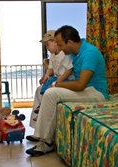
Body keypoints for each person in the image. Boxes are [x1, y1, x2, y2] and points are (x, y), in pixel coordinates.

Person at [25, 25, 109, 156]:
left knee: (51, 93)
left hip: (96, 92)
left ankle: (46, 142)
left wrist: (57, 84)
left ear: (69, 42)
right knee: (47, 90)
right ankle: (43, 137)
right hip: (86, 90)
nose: (59, 48)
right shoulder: (76, 53)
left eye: (60, 45)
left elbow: (81, 85)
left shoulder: (89, 53)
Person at [27, 30, 74, 141]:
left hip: (65, 80)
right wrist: (46, 76)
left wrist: (56, 83)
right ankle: (38, 131)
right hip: (56, 78)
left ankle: (42, 120)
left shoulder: (64, 53)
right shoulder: (52, 55)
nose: (47, 47)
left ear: (55, 42)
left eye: (47, 44)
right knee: (39, 89)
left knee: (48, 91)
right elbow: (51, 69)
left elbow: (69, 70)